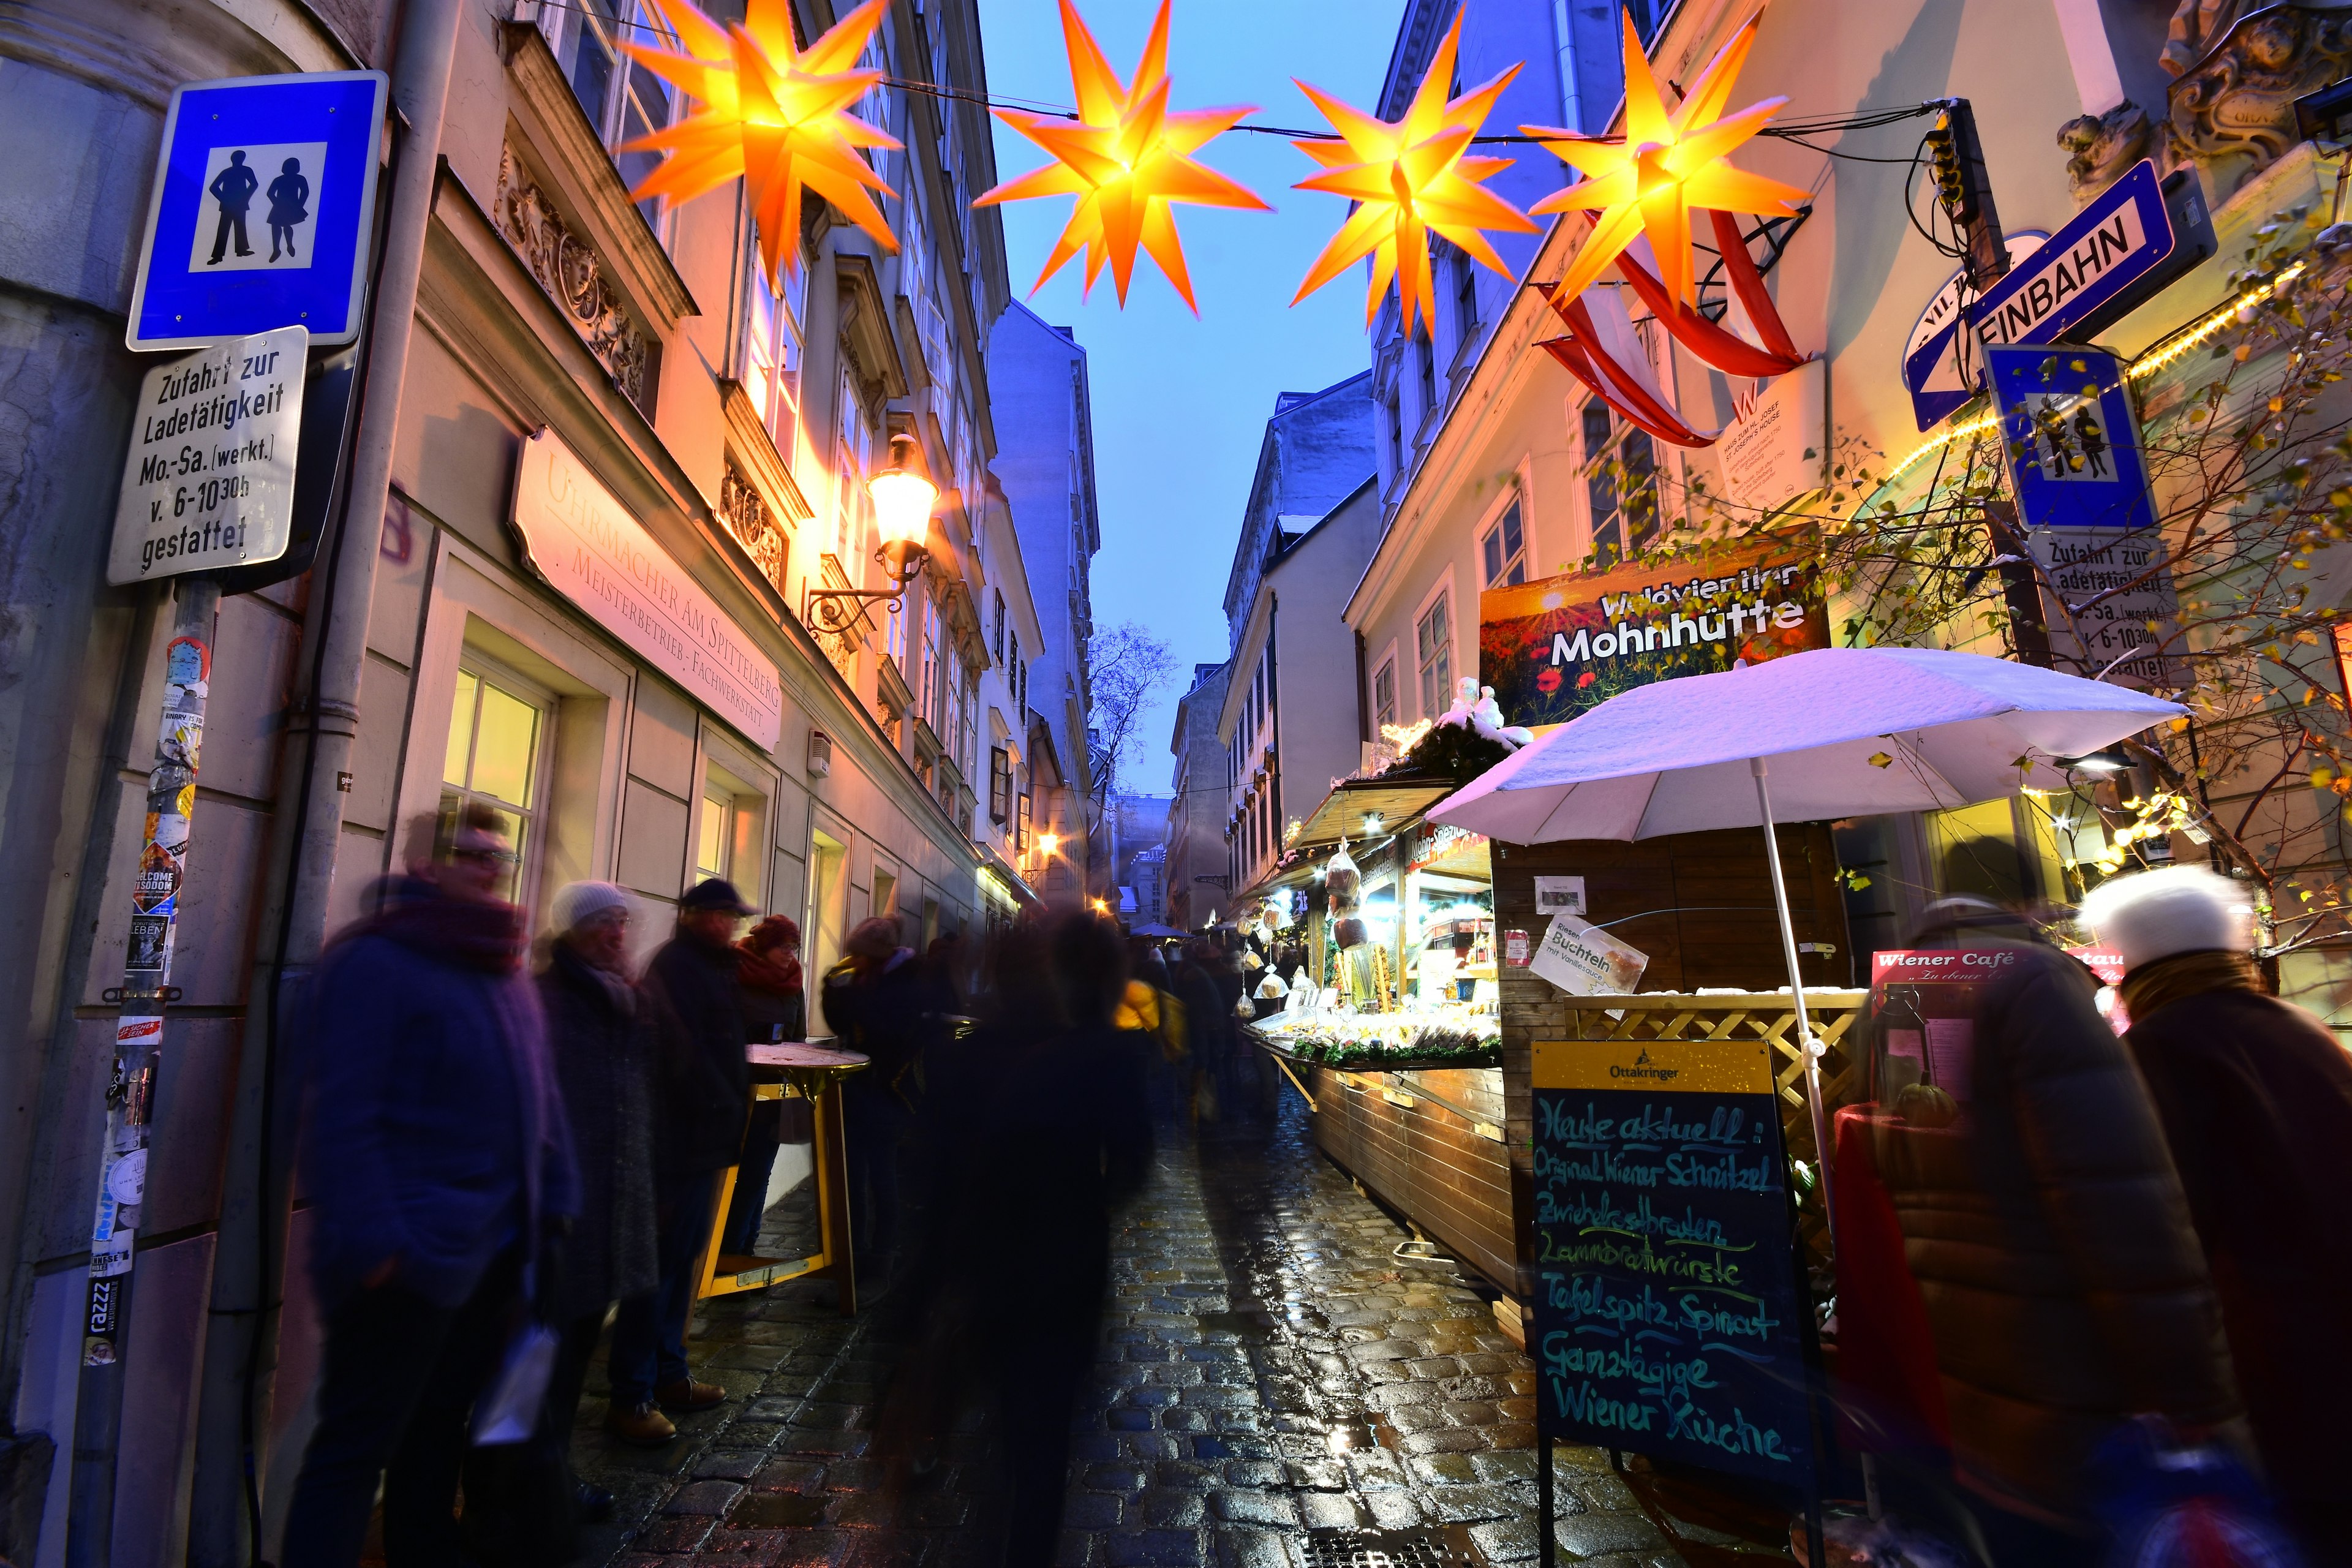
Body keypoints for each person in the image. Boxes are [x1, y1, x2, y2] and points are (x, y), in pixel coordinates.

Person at [1856, 897, 2241, 1564]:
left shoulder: (1896, 991)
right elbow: (2121, 1201)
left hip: (1977, 1390)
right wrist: (2194, 1399)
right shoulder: (2033, 982)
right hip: (2086, 1394)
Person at [281, 805, 577, 1566]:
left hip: (503, 1254)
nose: (487, 865)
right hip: (408, 1262)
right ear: (424, 866)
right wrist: (382, 1245)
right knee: (356, 1449)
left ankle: (428, 1545)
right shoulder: (376, 960)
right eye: (467, 852)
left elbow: (539, 1094)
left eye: (496, 855)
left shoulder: (501, 963)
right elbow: (339, 1113)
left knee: (462, 1423)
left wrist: (559, 1197)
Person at [2083, 867, 2352, 1562]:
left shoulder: (2158, 1047)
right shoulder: (2299, 1026)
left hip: (2274, 1359)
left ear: (2130, 957)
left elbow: (2165, 1224)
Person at [881, 914, 1152, 1564]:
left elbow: (929, 1168)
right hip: (1064, 1271)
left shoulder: (966, 1050)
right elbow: (1134, 1164)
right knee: (1041, 1445)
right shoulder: (1106, 1055)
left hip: (978, 1266)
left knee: (997, 1426)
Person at [606, 878, 754, 1441]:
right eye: (723, 915)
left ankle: (669, 1373)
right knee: (657, 1268)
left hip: (705, 1138)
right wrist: (719, 1099)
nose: (732, 924)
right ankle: (632, 1394)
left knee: (681, 1262)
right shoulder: (679, 967)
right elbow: (677, 1055)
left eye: (734, 917)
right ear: (694, 915)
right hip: (676, 1142)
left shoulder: (715, 965)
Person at [531, 882, 656, 1534]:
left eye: (622, 922)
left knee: (570, 1362)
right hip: (557, 1220)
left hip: (603, 1212)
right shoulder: (549, 1001)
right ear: (575, 931)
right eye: (603, 923)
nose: (616, 934)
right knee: (535, 1375)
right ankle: (527, 1500)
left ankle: (549, 1484)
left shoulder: (623, 1000)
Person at [821, 916, 933, 1280]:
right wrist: (832, 992)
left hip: (889, 1090)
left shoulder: (908, 979)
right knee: (852, 1175)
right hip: (858, 1087)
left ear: (876, 954)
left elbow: (890, 1034)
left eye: (860, 954)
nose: (854, 960)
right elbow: (843, 1027)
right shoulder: (866, 978)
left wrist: (850, 998)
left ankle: (882, 1255)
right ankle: (854, 1253)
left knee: (882, 1175)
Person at [723, 914, 805, 1255]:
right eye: (783, 946)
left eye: (794, 946)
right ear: (764, 945)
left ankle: (743, 1252)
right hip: (736, 1089)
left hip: (775, 1091)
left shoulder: (794, 981)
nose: (789, 953)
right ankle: (726, 1256)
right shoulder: (734, 973)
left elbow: (799, 1035)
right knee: (731, 1177)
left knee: (759, 1174)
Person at [206, 149, 258, 263]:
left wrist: (245, 198)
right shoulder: (227, 172)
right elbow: (213, 187)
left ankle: (241, 250)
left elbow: (254, 184)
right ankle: (218, 255)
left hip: (238, 204)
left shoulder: (246, 170)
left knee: (240, 226)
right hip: (229, 205)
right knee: (223, 229)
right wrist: (224, 199)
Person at [265, 155, 309, 261]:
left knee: (286, 225)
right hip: (280, 206)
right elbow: (270, 193)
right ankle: (276, 249)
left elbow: (305, 192)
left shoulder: (300, 179)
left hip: (292, 205)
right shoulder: (279, 180)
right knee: (276, 225)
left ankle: (289, 245)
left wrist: (299, 205)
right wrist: (276, 203)